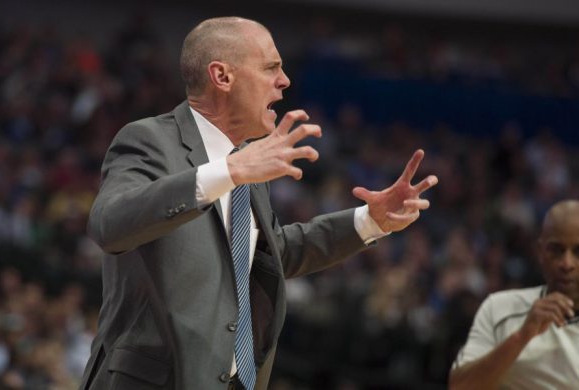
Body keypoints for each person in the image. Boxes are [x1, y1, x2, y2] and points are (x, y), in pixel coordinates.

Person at [79, 17, 438, 390]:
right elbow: (109, 224)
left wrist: (370, 220)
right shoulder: (149, 139)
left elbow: (265, 256)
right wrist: (229, 171)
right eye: (271, 67)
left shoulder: (247, 158)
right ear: (222, 76)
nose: (285, 81)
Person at [450, 200, 579, 390]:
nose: (567, 263)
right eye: (556, 250)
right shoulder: (498, 308)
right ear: (541, 252)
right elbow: (459, 386)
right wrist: (522, 336)